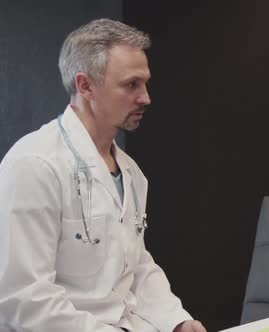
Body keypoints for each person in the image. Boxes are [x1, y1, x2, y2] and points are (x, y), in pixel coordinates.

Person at [0, 18, 206, 332]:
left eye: (146, 83)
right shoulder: (34, 165)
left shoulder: (130, 173)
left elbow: (135, 267)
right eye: (131, 84)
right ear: (85, 86)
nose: (146, 98)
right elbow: (23, 299)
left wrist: (176, 321)